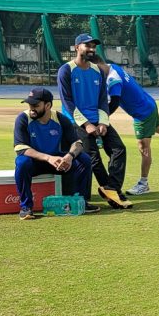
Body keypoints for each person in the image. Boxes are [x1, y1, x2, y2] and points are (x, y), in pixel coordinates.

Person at [58, 33, 132, 209]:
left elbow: (101, 99)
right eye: (87, 46)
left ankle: (111, 187)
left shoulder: (98, 71)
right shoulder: (66, 70)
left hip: (98, 119)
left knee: (119, 149)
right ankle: (114, 196)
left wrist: (103, 122)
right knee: (93, 158)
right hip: (75, 121)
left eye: (93, 46)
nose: (91, 49)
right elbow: (67, 102)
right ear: (77, 48)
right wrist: (86, 124)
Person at [92, 55, 159, 196]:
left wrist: (100, 120)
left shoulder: (113, 79)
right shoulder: (111, 67)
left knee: (143, 147)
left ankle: (143, 183)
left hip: (143, 113)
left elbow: (113, 104)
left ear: (98, 66)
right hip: (149, 104)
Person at [13, 87, 99, 219]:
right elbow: (21, 148)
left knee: (84, 159)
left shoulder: (60, 119)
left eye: (36, 105)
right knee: (22, 162)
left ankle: (80, 202)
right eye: (30, 104)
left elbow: (77, 143)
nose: (31, 108)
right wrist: (48, 158)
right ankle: (26, 207)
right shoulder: (23, 119)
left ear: (48, 105)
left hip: (57, 163)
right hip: (35, 162)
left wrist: (69, 157)